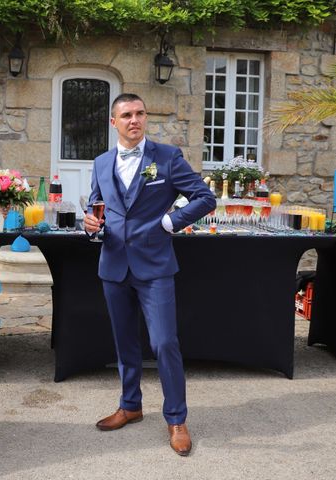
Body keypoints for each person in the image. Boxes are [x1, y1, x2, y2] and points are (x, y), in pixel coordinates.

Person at [84, 93, 216, 456]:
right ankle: (130, 406)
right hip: (113, 264)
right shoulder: (100, 162)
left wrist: (171, 222)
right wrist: (90, 224)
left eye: (140, 113)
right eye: (126, 115)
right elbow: (96, 205)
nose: (134, 120)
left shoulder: (167, 157)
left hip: (155, 266)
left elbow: (205, 198)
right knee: (125, 343)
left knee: (164, 343)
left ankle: (176, 418)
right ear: (114, 122)